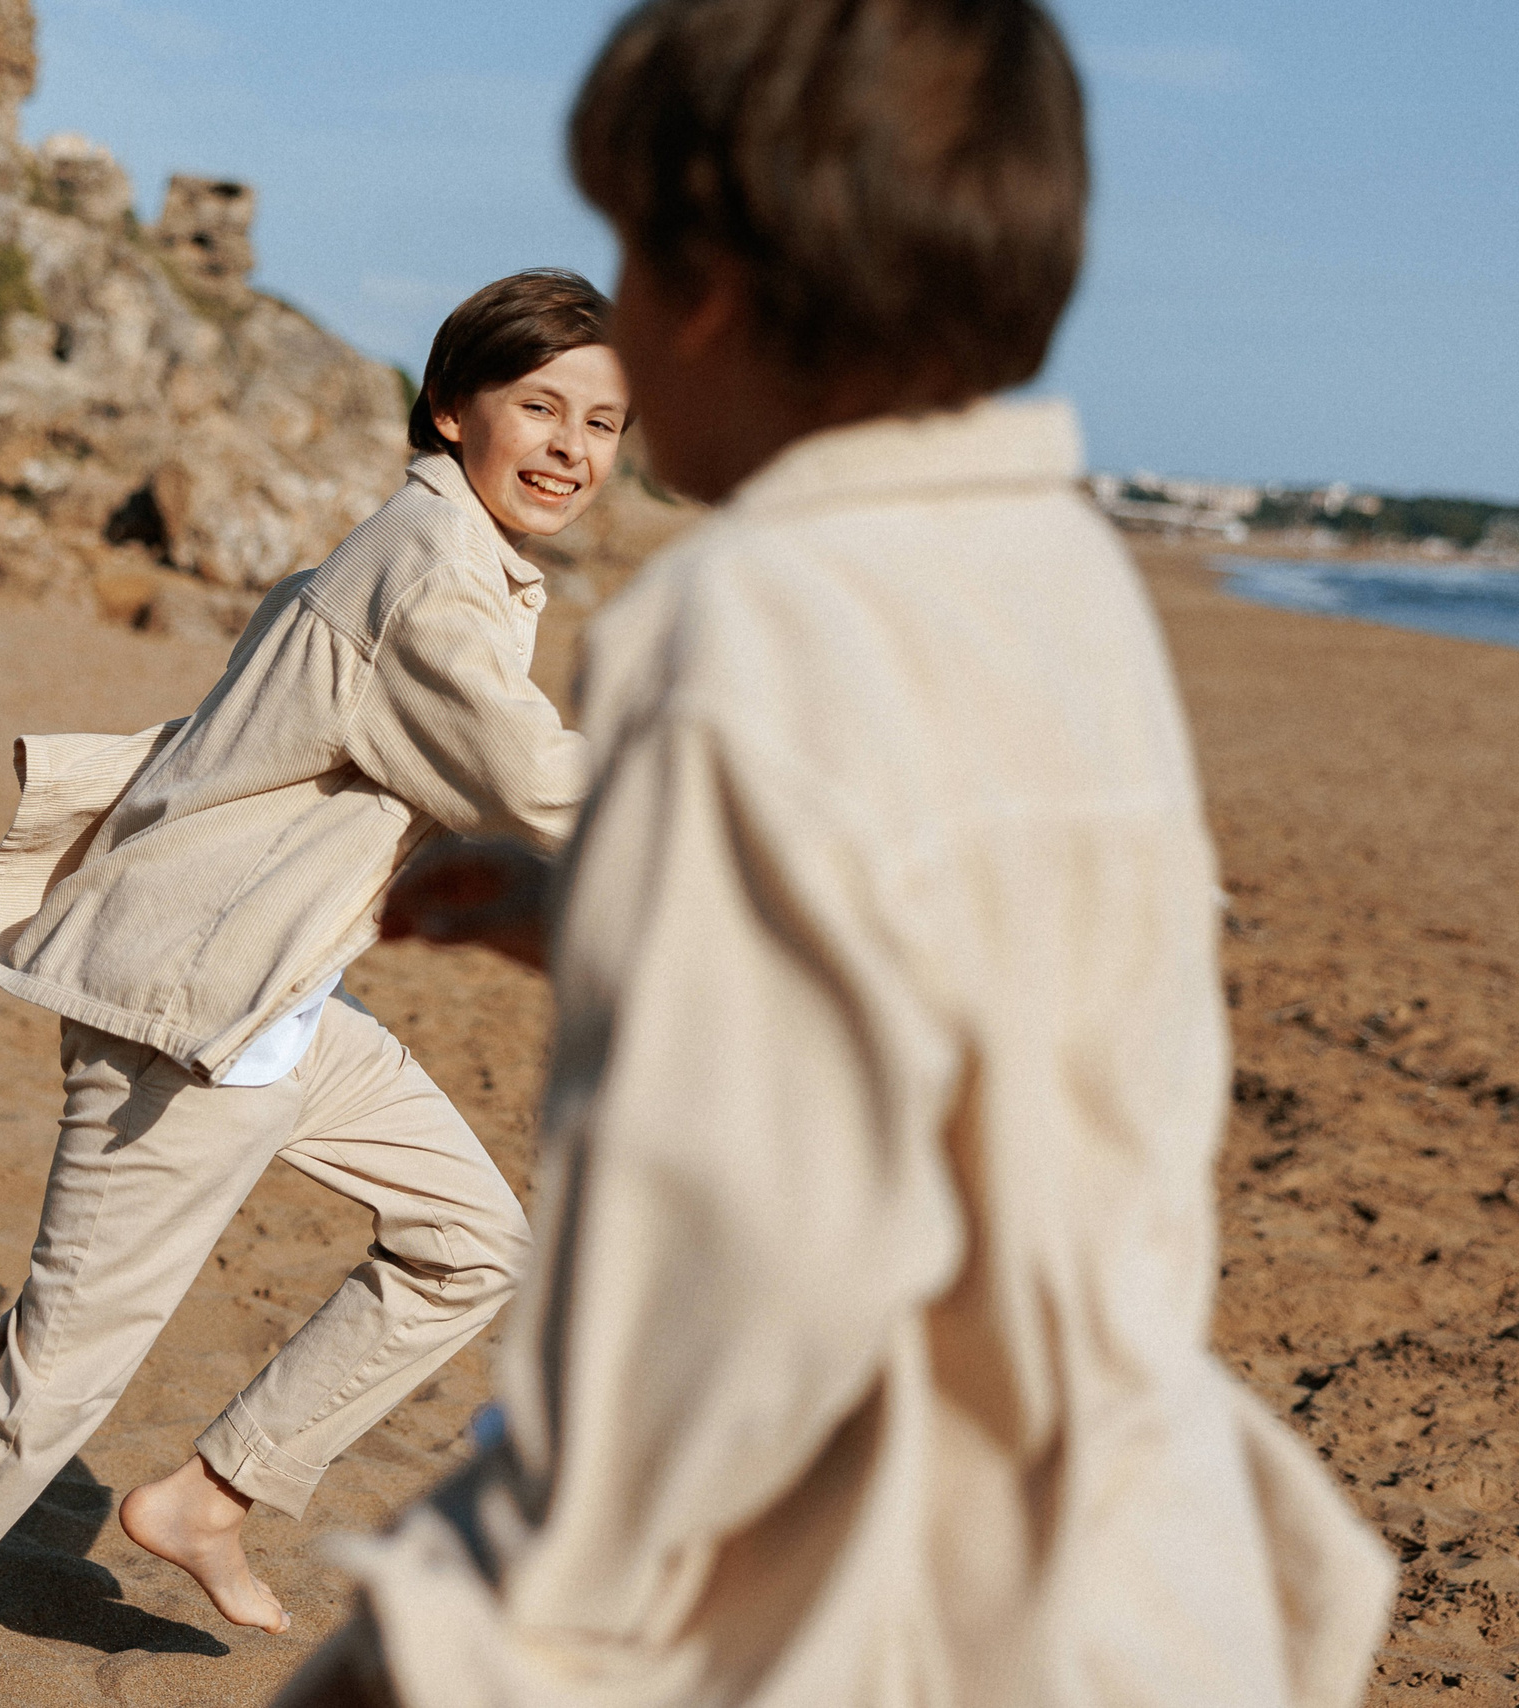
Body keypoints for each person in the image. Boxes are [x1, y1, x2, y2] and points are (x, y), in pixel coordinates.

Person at [281, 2, 1397, 1705]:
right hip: (1115, 1555)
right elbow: (932, 982)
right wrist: (602, 912)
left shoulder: (736, 629)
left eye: (632, 266)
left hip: (862, 1591)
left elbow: (706, 1268)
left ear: (712, 288)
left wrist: (493, 1623)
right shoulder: (1068, 587)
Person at [0, 270, 634, 1708]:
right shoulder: (430, 565)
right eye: (542, 408)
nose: (573, 447)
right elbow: (519, 774)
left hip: (279, 998)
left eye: (606, 423)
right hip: (197, 1020)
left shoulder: (454, 552)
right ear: (454, 408)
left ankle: (213, 1496)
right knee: (41, 1391)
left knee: (469, 1241)